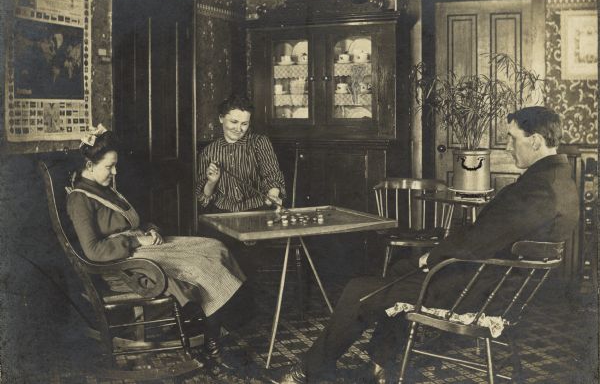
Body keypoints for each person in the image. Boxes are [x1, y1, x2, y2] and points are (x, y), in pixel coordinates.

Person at [279, 106, 579, 384]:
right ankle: (379, 365)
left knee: (360, 290)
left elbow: (478, 244)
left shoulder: (539, 191)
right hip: (494, 282)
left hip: (479, 290)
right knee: (400, 268)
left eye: (513, 139)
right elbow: (490, 236)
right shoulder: (558, 181)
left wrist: (433, 256)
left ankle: (311, 369)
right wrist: (434, 255)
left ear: (536, 141)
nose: (507, 146)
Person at [66, 125, 246, 364]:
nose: (115, 172)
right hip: (125, 265)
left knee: (215, 247)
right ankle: (213, 345)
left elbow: (133, 221)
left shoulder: (107, 189)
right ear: (89, 166)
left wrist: (150, 229)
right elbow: (94, 250)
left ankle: (210, 323)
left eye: (115, 165)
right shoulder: (80, 199)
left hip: (143, 248)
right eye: (109, 167)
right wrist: (136, 240)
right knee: (202, 267)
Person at [196, 94, 286, 276]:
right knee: (219, 261)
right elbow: (203, 197)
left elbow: (272, 176)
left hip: (256, 210)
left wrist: (273, 194)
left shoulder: (260, 143)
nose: (239, 129)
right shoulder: (209, 152)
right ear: (221, 118)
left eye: (244, 123)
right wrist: (212, 182)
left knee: (249, 264)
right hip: (223, 215)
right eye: (234, 122)